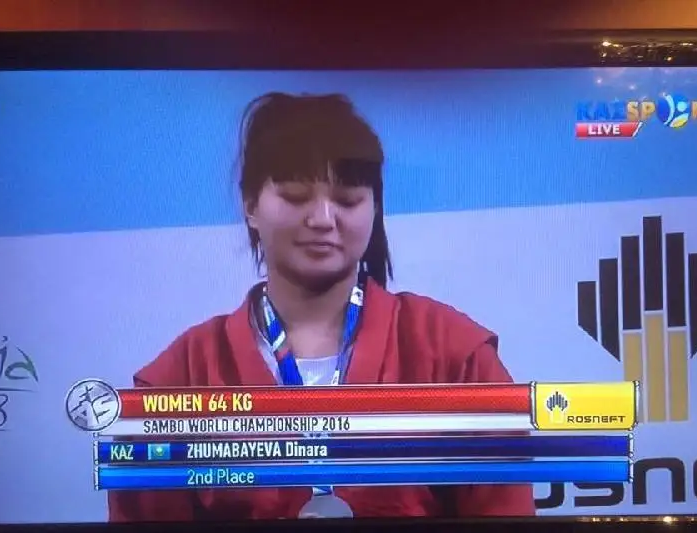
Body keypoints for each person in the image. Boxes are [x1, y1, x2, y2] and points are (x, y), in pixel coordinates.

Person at [108, 92, 536, 521]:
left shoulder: (455, 356)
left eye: (347, 200)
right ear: (250, 204)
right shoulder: (177, 379)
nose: (323, 219)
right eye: (296, 196)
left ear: (375, 207)